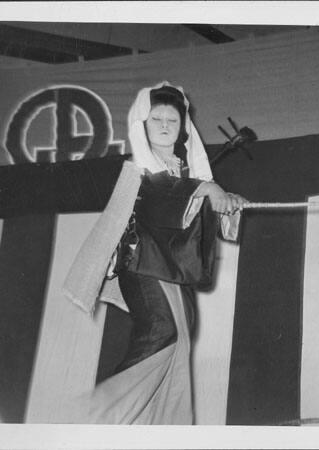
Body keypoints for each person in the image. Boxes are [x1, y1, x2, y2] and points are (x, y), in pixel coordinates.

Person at [61, 81, 245, 424]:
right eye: (156, 118)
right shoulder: (139, 169)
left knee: (180, 343)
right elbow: (161, 195)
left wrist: (227, 203)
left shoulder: (185, 171)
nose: (163, 125)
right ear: (142, 125)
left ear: (182, 129)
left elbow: (194, 209)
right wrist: (208, 188)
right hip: (142, 263)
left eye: (172, 121)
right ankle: (99, 418)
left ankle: (160, 429)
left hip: (174, 268)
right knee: (162, 330)